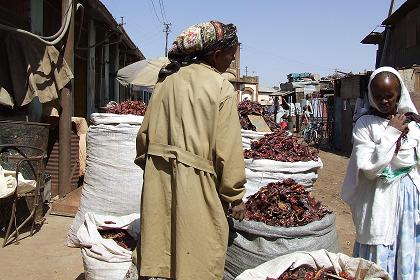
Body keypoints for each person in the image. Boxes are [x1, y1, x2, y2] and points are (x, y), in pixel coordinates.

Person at [133, 21, 246, 280]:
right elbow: (227, 151)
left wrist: (156, 169)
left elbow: (144, 138)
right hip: (198, 185)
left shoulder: (165, 81)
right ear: (217, 55)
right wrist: (235, 196)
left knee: (162, 251)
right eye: (231, 54)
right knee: (197, 256)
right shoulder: (221, 87)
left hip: (158, 180)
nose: (231, 60)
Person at [342, 67, 420, 279]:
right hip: (379, 198)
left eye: (389, 96)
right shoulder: (365, 124)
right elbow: (369, 169)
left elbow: (413, 161)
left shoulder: (413, 123)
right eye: (378, 96)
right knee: (379, 250)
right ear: (370, 95)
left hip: (408, 199)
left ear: (399, 94)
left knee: (407, 245)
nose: (384, 101)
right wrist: (392, 132)